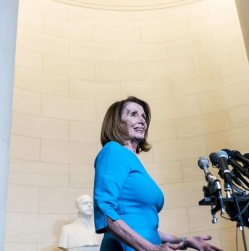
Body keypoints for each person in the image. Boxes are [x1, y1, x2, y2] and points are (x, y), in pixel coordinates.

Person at [93, 96, 222, 251]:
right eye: (134, 114)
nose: (142, 120)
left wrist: (184, 241)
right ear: (117, 122)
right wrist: (150, 248)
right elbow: (104, 210)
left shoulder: (134, 162)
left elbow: (146, 227)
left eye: (144, 117)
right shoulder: (113, 151)